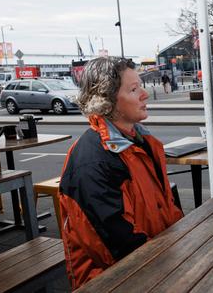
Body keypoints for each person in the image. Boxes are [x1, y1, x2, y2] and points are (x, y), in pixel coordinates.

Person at [58, 57, 183, 289]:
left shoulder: (142, 141)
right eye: (134, 89)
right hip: (115, 281)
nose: (145, 94)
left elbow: (167, 208)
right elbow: (115, 247)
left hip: (157, 267)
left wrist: (181, 244)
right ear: (107, 100)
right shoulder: (93, 162)